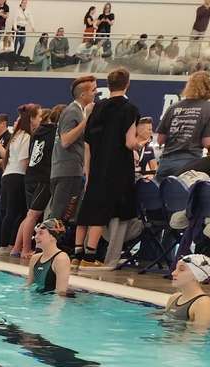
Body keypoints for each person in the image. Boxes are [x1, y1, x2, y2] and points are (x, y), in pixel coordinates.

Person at [76, 67, 140, 269]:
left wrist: (88, 170)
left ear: (108, 85)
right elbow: (129, 142)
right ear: (127, 84)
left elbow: (87, 144)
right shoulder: (130, 109)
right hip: (117, 168)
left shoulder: (96, 108)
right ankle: (89, 256)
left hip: (95, 165)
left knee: (88, 208)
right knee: (102, 212)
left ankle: (77, 253)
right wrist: (141, 142)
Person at [46, 74, 96, 258]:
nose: (96, 93)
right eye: (93, 91)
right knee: (58, 214)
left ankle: (52, 248)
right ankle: (47, 250)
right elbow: (66, 140)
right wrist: (86, 121)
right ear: (83, 95)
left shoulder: (77, 111)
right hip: (66, 170)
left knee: (64, 214)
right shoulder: (72, 111)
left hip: (70, 170)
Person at [155, 70, 210, 179]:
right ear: (209, 87)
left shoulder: (173, 107)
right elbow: (206, 142)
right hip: (190, 165)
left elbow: (160, 140)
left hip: (166, 163)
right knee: (182, 195)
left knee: (161, 194)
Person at [0, 103, 37, 252]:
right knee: (17, 213)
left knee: (10, 212)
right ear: (31, 119)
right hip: (17, 176)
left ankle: (6, 244)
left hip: (8, 174)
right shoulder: (26, 136)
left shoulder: (16, 135)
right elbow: (24, 161)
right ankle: (8, 244)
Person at [163, 254, 210, 329]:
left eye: (181, 270)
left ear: (196, 275)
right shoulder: (174, 298)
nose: (173, 273)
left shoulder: (203, 303)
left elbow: (197, 337)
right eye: (175, 269)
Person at [25, 218, 71, 294]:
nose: (36, 237)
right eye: (36, 233)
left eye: (41, 233)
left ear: (53, 236)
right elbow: (29, 286)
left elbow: (61, 293)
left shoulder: (61, 259)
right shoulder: (35, 258)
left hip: (52, 300)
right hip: (39, 299)